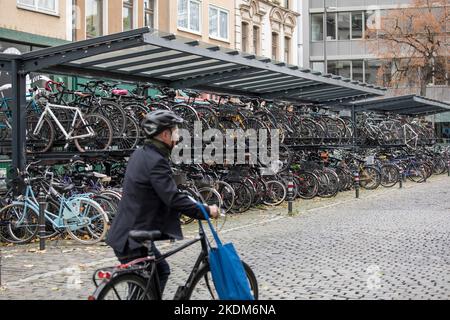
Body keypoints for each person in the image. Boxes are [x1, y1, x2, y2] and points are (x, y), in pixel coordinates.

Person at [106, 110, 219, 295]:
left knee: (159, 272)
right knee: (147, 284)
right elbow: (172, 198)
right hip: (133, 238)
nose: (177, 136)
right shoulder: (157, 161)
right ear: (165, 134)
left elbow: (156, 191)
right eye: (175, 132)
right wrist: (206, 210)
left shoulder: (140, 154)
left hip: (129, 232)